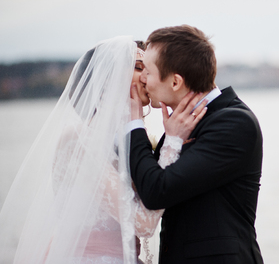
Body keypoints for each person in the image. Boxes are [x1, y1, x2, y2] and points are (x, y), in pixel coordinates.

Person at [0, 36, 206, 264]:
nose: (148, 77)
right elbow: (143, 224)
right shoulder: (77, 141)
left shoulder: (136, 143)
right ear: (108, 79)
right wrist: (173, 145)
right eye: (140, 68)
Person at [128, 25, 264, 263]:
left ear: (175, 82)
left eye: (147, 71)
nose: (143, 79)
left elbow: (156, 190)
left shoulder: (234, 123)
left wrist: (135, 122)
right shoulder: (178, 127)